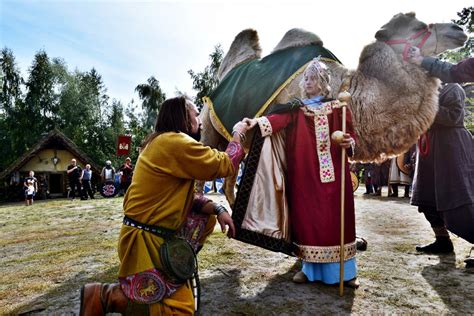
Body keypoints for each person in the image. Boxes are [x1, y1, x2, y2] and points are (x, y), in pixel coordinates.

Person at [79, 96, 252, 315]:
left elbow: (183, 199)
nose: (200, 120)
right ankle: (106, 296)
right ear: (183, 118)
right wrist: (239, 133)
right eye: (195, 114)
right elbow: (224, 164)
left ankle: (106, 296)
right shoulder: (174, 142)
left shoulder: (161, 142)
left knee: (182, 305)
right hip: (146, 240)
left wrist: (217, 209)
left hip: (152, 236)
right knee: (176, 310)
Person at [245, 58, 358, 287]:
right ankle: (309, 270)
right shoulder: (297, 110)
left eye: (313, 78)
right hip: (304, 175)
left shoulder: (339, 107)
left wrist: (349, 142)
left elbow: (352, 135)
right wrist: (254, 123)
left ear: (323, 82)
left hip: (335, 173)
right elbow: (275, 120)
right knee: (308, 220)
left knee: (336, 220)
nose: (308, 82)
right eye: (306, 78)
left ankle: (346, 274)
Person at [409, 48, 474, 268]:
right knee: (427, 199)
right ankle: (442, 241)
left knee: (458, 201)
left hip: (452, 149)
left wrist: (426, 107)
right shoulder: (426, 94)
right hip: (430, 150)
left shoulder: (453, 88)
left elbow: (454, 117)